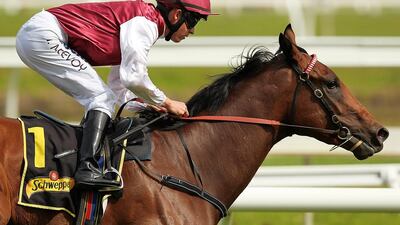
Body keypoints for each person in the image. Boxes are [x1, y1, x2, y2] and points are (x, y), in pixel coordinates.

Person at [15, 0, 216, 190]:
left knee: (103, 97)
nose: (192, 30)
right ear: (177, 15)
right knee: (101, 98)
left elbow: (118, 86)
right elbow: (134, 78)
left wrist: (146, 106)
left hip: (40, 35)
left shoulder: (144, 23)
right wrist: (167, 101)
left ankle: (87, 161)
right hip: (42, 35)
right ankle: (88, 168)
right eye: (192, 21)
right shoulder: (144, 24)